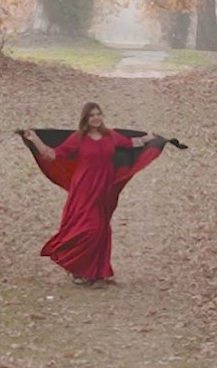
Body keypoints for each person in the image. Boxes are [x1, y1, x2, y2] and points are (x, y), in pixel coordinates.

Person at [20, 101, 168, 285]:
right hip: (83, 189)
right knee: (87, 228)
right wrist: (34, 139)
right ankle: (75, 267)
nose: (96, 118)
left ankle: (96, 272)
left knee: (102, 229)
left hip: (104, 188)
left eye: (98, 114)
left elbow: (131, 143)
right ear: (86, 119)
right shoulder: (78, 139)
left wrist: (149, 138)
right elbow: (52, 154)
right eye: (92, 115)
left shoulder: (110, 135)